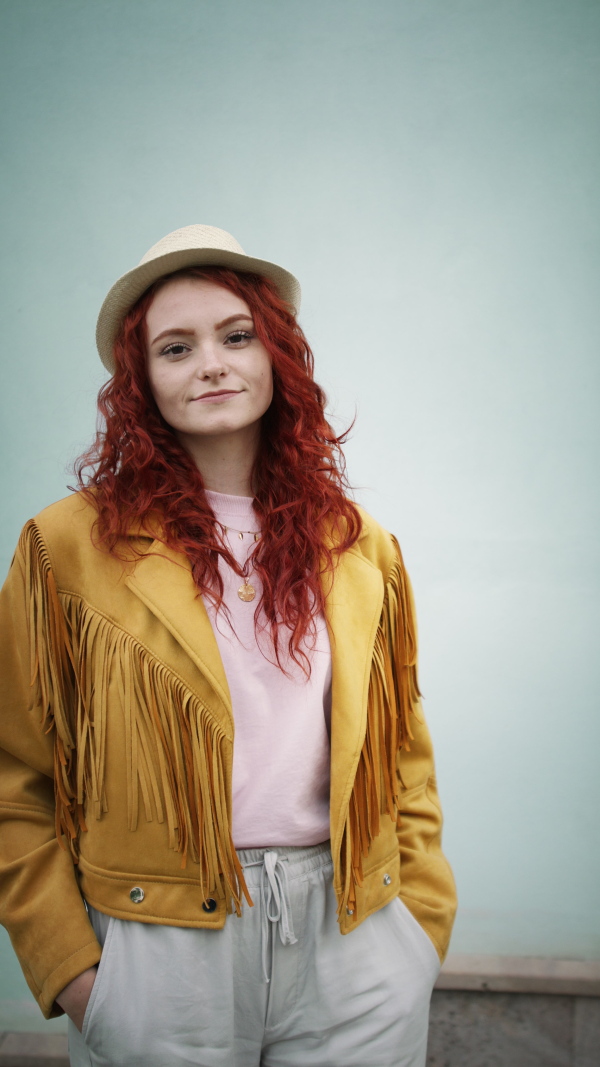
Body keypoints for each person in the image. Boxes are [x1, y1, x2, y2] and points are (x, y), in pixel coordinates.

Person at [0, 225, 457, 1067]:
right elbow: (15, 775)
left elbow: (404, 754)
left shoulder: (361, 545)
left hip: (354, 937)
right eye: (176, 348)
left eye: (236, 335)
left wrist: (418, 933)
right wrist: (74, 970)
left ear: (276, 354)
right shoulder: (64, 547)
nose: (211, 363)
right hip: (161, 950)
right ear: (141, 382)